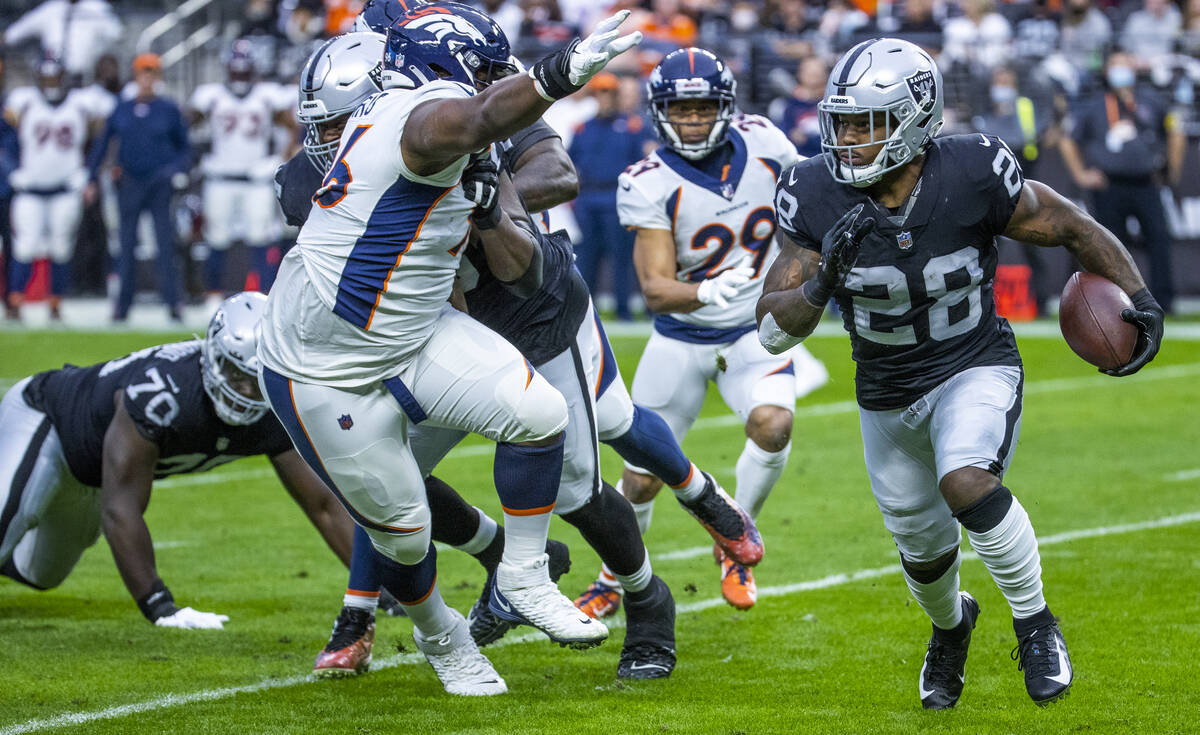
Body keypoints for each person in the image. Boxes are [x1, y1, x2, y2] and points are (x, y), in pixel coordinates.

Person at [760, 38, 1164, 709]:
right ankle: (952, 628)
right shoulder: (812, 191)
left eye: (868, 123)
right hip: (884, 391)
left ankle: (1036, 625)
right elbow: (772, 326)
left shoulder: (973, 170)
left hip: (972, 362)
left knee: (967, 481)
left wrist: (1140, 297)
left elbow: (1069, 224)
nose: (850, 140)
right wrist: (821, 280)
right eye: (844, 123)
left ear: (916, 120)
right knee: (922, 552)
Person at [256, 6, 641, 696]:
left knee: (538, 410)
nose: (500, 81)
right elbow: (471, 121)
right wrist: (558, 74)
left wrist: (494, 203)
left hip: (410, 329)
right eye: (489, 70)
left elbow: (495, 266)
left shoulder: (415, 114)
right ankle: (443, 636)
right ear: (445, 67)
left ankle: (522, 572)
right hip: (323, 365)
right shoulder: (417, 118)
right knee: (403, 536)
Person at [604, 47, 823, 612]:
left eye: (703, 109)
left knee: (774, 426)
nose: (693, 120)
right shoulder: (647, 181)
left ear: (724, 107)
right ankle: (611, 577)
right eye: (681, 110)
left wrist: (799, 274)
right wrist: (704, 290)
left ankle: (734, 537)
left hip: (754, 330)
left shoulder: (768, 144)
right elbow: (654, 286)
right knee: (641, 479)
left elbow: (804, 210)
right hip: (679, 338)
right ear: (660, 112)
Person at [0, 293, 361, 628]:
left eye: (257, 378)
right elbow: (120, 509)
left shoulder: (271, 411)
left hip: (93, 474)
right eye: (237, 373)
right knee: (11, 517)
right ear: (213, 355)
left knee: (39, 574)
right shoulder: (163, 393)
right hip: (45, 418)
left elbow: (324, 505)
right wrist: (160, 606)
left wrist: (376, 588)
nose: (246, 391)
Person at [1058, 51, 1185, 315]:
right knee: (1109, 246)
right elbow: (1067, 139)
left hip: (1146, 182)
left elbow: (1175, 131)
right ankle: (1114, 302)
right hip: (1109, 186)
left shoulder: (1152, 101)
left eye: (1124, 64)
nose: (1119, 70)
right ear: (1106, 71)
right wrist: (1081, 174)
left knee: (1159, 240)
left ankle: (1164, 302)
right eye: (1114, 65)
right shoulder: (1094, 106)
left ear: (1134, 69)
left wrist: (1171, 170)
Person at [84, 53, 190, 323]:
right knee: (126, 244)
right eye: (143, 72)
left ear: (158, 77)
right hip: (130, 182)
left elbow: (185, 148)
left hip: (158, 182)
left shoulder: (168, 109)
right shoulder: (122, 108)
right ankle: (123, 306)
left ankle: (173, 302)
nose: (147, 78)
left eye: (152, 72)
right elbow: (102, 144)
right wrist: (91, 178)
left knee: (164, 244)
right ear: (136, 75)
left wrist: (173, 171)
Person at [189, 41, 294, 303]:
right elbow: (186, 125)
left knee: (261, 236)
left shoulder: (267, 97)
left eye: (244, 72)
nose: (239, 77)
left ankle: (262, 296)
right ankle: (213, 295)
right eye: (236, 72)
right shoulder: (211, 97)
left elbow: (291, 127)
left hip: (255, 178)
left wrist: (282, 156)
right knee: (217, 238)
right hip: (220, 177)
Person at [3, 58, 106, 321]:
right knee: (25, 246)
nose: (51, 83)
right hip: (30, 188)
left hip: (65, 187)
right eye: (47, 78)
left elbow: (101, 139)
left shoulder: (82, 104)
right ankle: (15, 300)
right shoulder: (24, 102)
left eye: (55, 77)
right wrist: (12, 170)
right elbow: (4, 139)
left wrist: (88, 172)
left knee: (61, 248)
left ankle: (55, 301)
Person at [567, 72, 649, 321]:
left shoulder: (632, 127)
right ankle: (585, 313)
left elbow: (643, 163)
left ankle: (623, 310)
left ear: (615, 96)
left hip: (618, 197)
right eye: (600, 93)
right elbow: (570, 163)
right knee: (587, 258)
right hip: (588, 198)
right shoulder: (582, 128)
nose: (604, 99)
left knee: (621, 258)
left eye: (608, 93)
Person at [3, 0, 122, 82]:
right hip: (52, 80)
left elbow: (119, 35)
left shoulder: (97, 7)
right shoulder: (50, 9)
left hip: (85, 81)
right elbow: (14, 34)